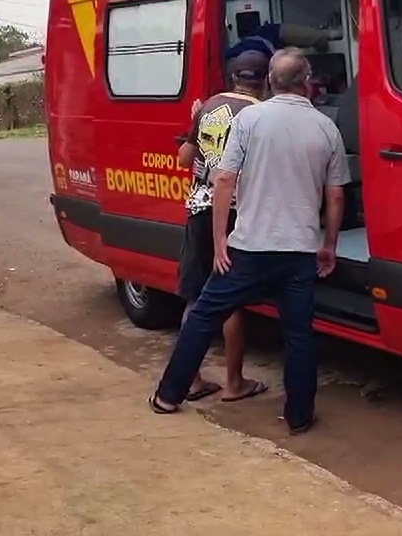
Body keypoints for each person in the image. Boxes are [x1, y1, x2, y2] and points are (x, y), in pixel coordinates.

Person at [150, 48, 352, 434]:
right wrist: (329, 245)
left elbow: (223, 179)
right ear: (308, 82)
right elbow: (336, 194)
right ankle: (299, 417)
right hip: (298, 252)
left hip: (248, 248)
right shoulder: (326, 127)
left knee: (204, 315)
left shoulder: (251, 120)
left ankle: (168, 394)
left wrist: (220, 242)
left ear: (272, 82)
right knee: (299, 333)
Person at [172, 50, 270, 403]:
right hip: (235, 213)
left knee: (195, 297)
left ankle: (192, 379)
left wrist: (194, 128)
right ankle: (234, 383)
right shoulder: (261, 113)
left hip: (199, 209)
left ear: (232, 78)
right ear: (266, 81)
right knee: (229, 303)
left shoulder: (209, 105)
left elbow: (184, 158)